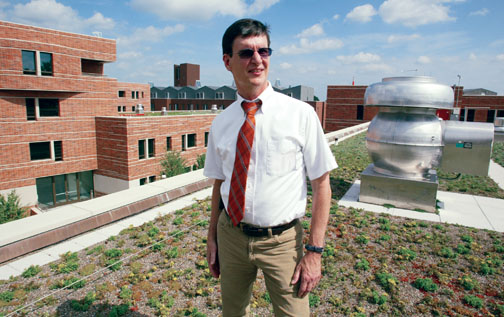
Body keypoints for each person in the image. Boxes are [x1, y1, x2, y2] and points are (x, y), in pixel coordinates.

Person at [204, 18, 337, 316]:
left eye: (263, 51)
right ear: (227, 61)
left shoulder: (300, 114)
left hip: (282, 243)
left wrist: (314, 252)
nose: (257, 60)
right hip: (231, 237)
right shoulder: (221, 122)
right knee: (233, 312)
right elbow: (219, 183)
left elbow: (321, 184)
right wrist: (212, 236)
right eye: (246, 53)